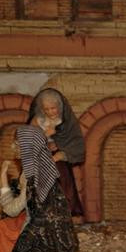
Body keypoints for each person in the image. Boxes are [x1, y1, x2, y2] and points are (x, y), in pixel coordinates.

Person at [28, 88, 85, 218]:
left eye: (53, 108)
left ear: (59, 106)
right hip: (41, 159)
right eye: (46, 109)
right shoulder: (38, 120)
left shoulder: (66, 121)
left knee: (64, 187)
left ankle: (63, 216)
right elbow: (30, 141)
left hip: (59, 160)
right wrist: (45, 135)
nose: (50, 112)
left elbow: (74, 142)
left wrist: (60, 150)